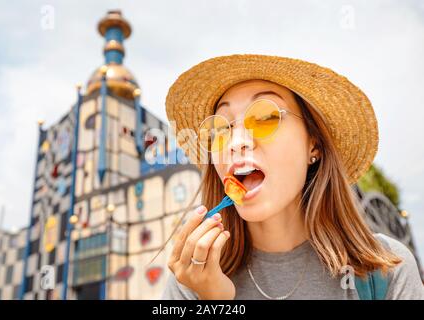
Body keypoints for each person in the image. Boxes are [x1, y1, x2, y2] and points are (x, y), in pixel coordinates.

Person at [158, 54, 424, 300]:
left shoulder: (387, 272)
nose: (235, 142)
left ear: (314, 145)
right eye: (220, 128)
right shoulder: (191, 282)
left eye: (264, 117)